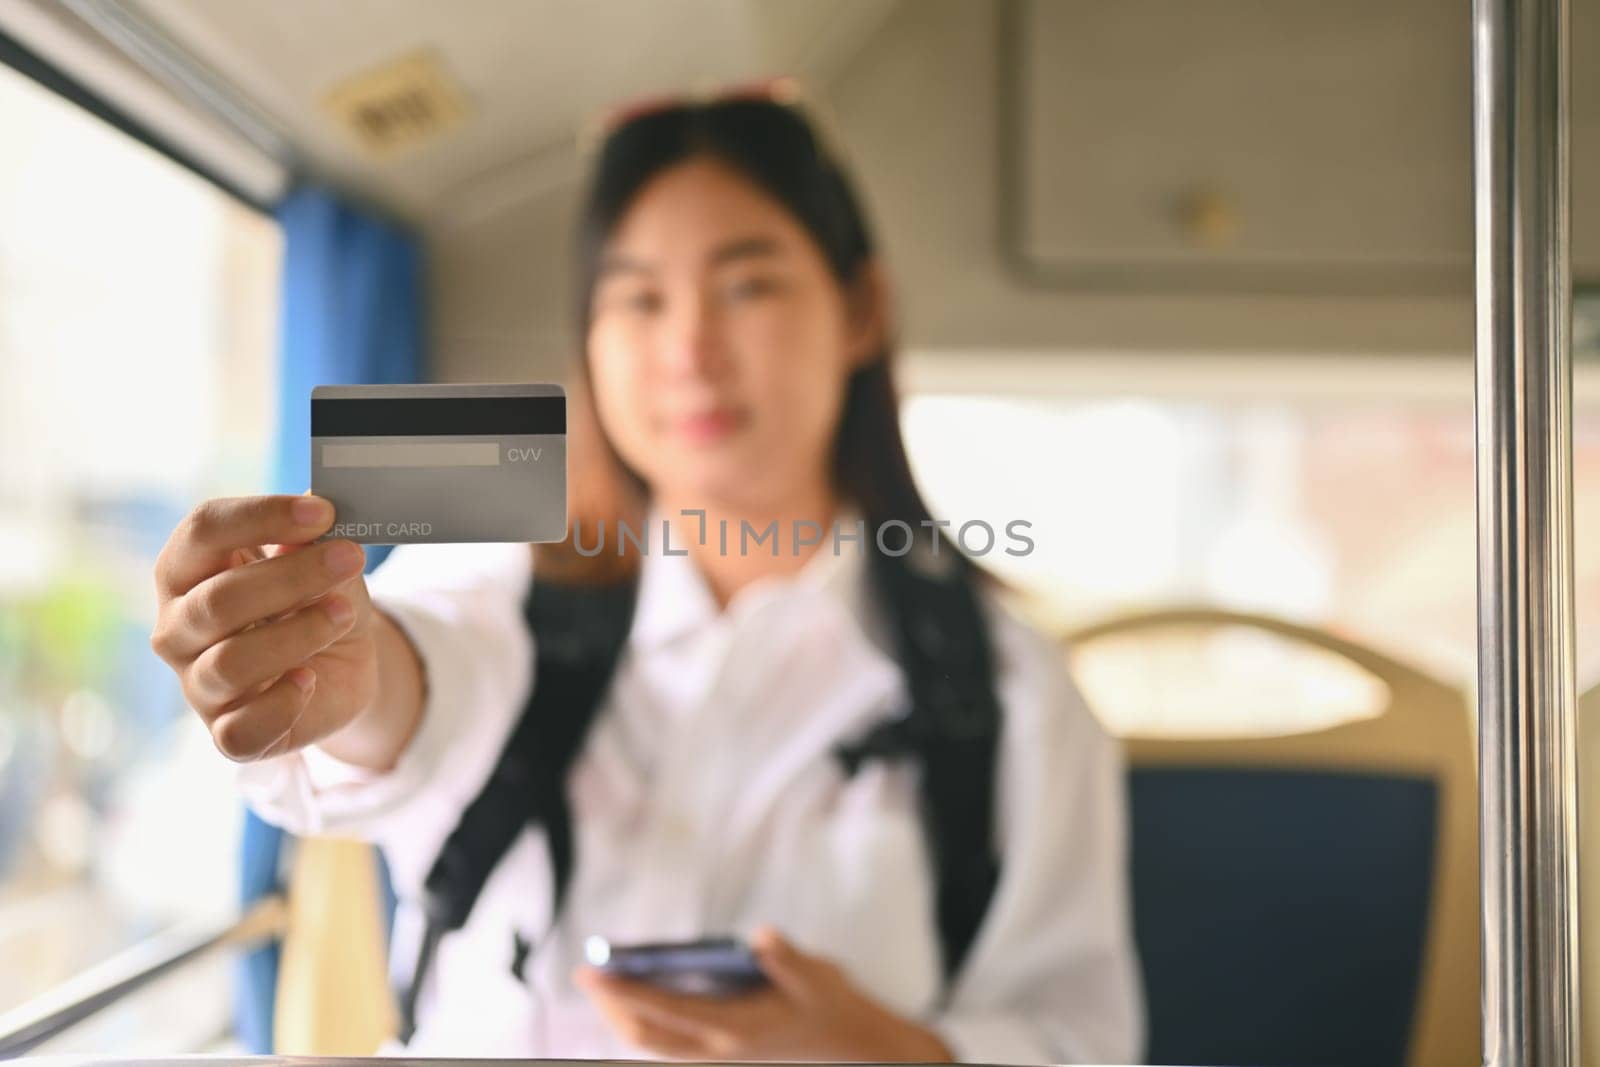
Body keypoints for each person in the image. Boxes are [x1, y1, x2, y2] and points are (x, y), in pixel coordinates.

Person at [148, 86, 1143, 1063]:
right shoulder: (501, 566)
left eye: (747, 284)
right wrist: (333, 667)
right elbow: (412, 674)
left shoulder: (1012, 691)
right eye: (636, 297)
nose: (688, 349)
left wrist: (881, 1048)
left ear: (858, 310)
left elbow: (1082, 1037)